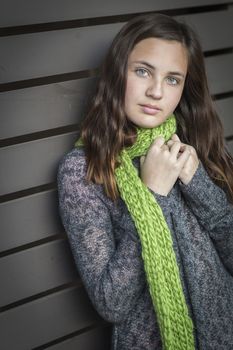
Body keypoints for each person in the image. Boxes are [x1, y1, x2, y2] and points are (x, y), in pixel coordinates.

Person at [57, 13, 233, 350]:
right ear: (116, 74)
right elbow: (112, 302)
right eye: (142, 71)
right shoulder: (83, 170)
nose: (156, 91)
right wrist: (154, 195)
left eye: (172, 79)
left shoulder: (190, 141)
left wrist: (197, 184)